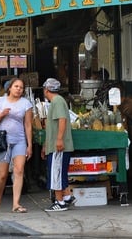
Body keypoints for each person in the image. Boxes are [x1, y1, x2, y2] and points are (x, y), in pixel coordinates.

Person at [0, 78, 33, 214]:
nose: (18, 89)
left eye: (21, 87)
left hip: (19, 140)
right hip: (3, 141)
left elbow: (28, 125)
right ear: (10, 88)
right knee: (2, 174)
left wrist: (29, 144)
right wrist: (2, 114)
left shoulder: (26, 103)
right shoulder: (0, 101)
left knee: (19, 171)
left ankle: (16, 204)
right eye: (16, 86)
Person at [41, 78, 75, 212]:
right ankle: (66, 197)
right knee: (59, 172)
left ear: (46, 89)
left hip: (58, 146)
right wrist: (46, 145)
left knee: (56, 174)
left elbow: (62, 120)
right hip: (53, 145)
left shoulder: (57, 101)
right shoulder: (57, 101)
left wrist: (59, 139)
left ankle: (59, 202)